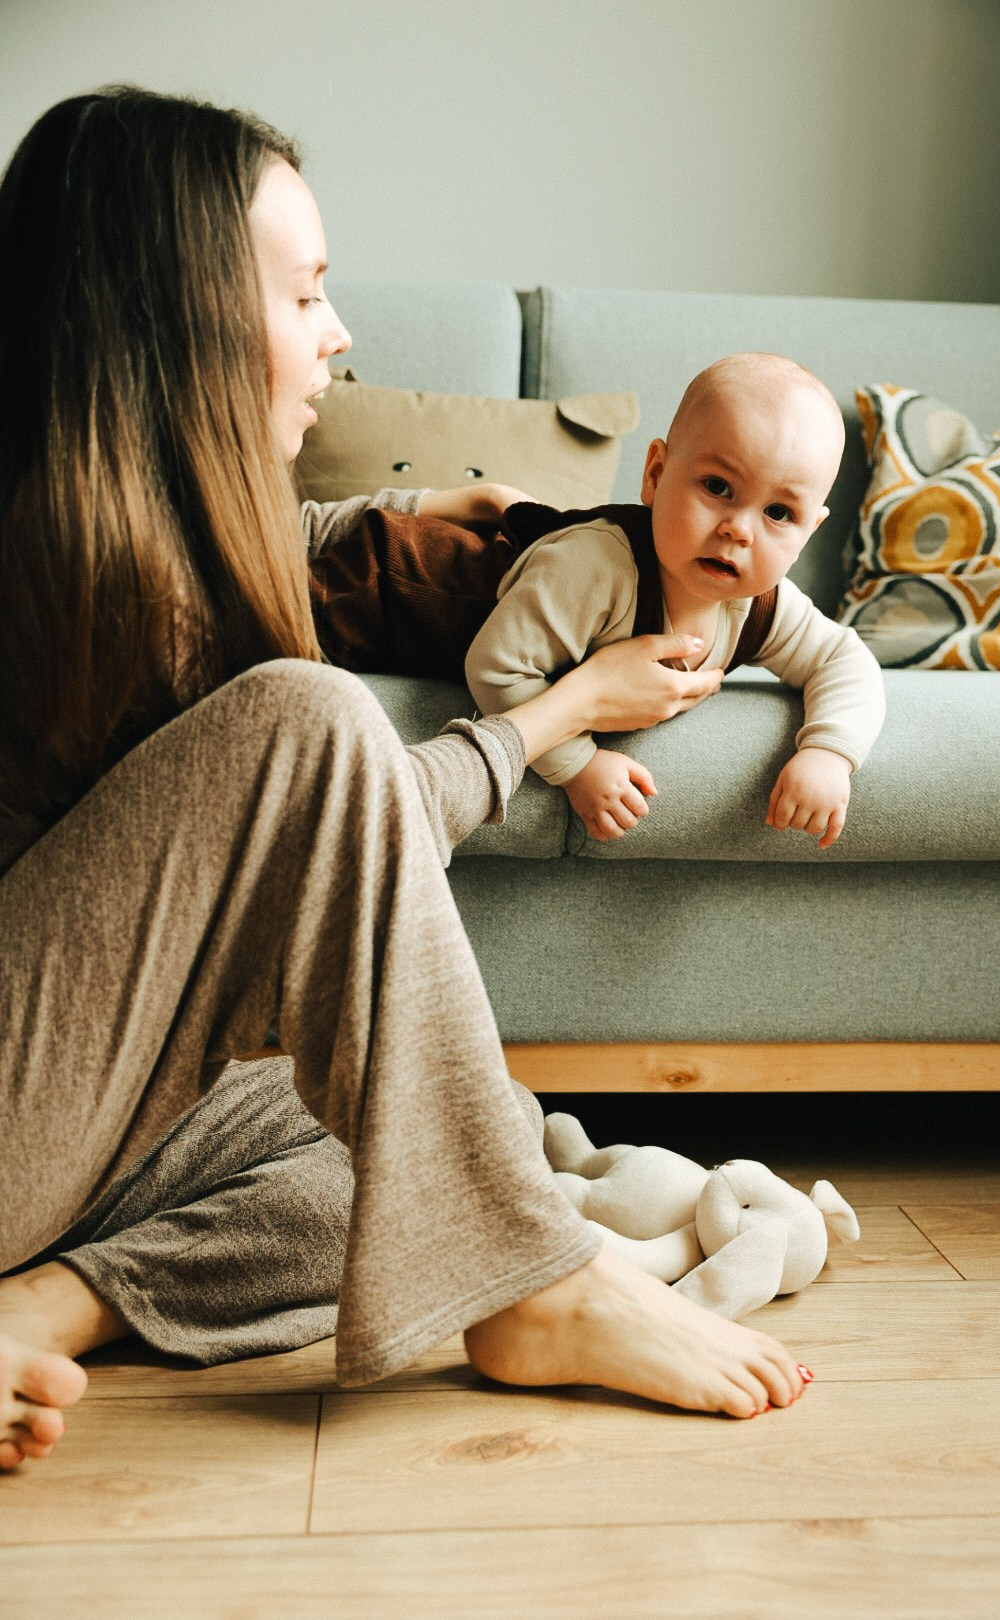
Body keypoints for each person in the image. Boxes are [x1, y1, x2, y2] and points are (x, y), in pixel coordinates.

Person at [0, 87, 811, 1472]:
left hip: (57, 1127)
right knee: (310, 724)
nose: (339, 333)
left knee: (411, 1168)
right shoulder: (55, 570)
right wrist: (557, 715)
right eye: (306, 293)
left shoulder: (133, 542)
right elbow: (334, 810)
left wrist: (412, 508)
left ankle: (50, 1303)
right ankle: (535, 1289)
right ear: (180, 319)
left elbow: (302, 812)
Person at [465, 354, 887, 846]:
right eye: (718, 487)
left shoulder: (761, 606)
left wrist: (830, 753)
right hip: (403, 589)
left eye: (778, 512)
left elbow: (844, 659)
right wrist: (578, 764)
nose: (739, 530)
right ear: (656, 474)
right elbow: (497, 667)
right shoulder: (595, 565)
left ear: (809, 532)